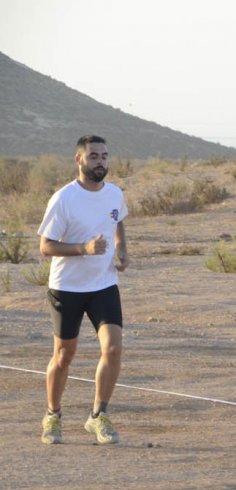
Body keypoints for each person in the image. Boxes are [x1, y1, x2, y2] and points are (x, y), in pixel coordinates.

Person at [38, 135, 129, 445]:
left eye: (104, 156)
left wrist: (121, 248)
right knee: (64, 355)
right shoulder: (64, 199)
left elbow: (118, 221)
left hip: (104, 284)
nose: (100, 161)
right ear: (79, 160)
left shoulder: (114, 193)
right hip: (67, 287)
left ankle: (98, 415)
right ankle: (53, 414)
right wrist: (84, 248)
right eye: (93, 156)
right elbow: (46, 246)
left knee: (113, 348)